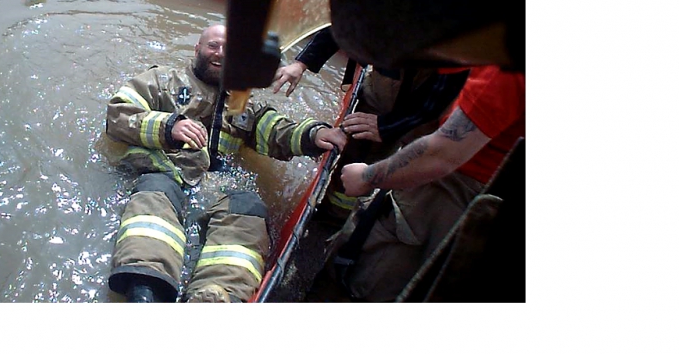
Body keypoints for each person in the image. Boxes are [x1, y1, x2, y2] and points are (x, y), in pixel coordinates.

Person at [104, 24, 347, 303]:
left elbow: (277, 130)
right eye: (213, 46)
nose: (219, 54)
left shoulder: (243, 102)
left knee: (249, 206)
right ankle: (146, 289)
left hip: (217, 183)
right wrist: (168, 126)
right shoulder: (160, 81)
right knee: (154, 194)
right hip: (165, 172)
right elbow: (118, 115)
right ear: (197, 49)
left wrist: (315, 134)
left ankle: (216, 295)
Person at [306, 63, 524, 302]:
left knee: (361, 276)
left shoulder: (511, 65)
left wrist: (368, 176)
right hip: (489, 192)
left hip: (446, 189)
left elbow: (444, 152)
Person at [272, 27, 470, 222]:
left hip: (425, 110)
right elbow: (340, 28)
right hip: (385, 88)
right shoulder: (381, 5)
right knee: (356, 150)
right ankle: (333, 212)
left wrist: (387, 127)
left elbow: (438, 97)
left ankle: (345, 220)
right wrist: (300, 64)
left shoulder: (456, 34)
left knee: (414, 168)